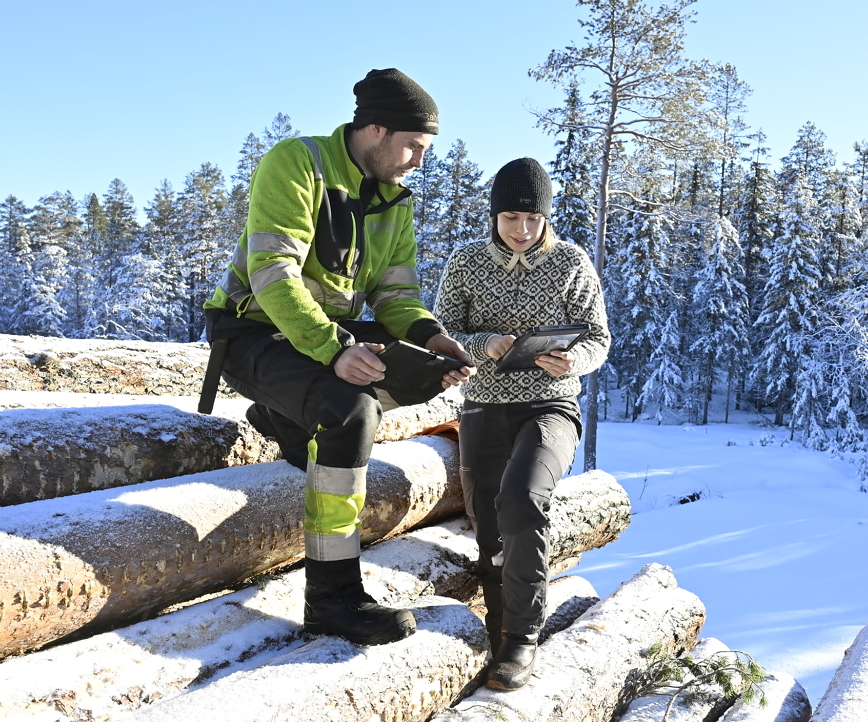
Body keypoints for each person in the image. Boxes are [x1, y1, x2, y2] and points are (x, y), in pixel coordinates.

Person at [203, 68, 473, 646]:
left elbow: (396, 295)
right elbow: (272, 276)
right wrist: (335, 351)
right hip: (252, 330)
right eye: (413, 147)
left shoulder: (394, 201)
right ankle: (333, 598)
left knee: (420, 377)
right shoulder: (296, 163)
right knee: (352, 411)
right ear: (375, 130)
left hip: (329, 332)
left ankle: (287, 415)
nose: (419, 161)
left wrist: (431, 339)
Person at [433, 158, 611, 689]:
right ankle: (495, 634)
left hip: (550, 407)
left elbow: (597, 339)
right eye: (511, 217)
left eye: (533, 219)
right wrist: (479, 345)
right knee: (488, 523)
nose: (522, 229)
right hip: (483, 407)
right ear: (494, 215)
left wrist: (571, 361)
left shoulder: (571, 263)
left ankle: (522, 639)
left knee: (522, 497)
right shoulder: (465, 263)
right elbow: (440, 335)